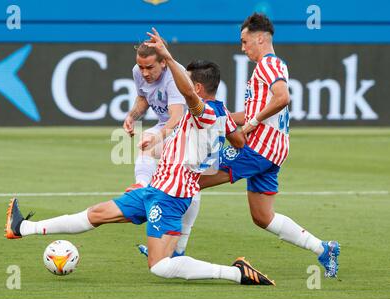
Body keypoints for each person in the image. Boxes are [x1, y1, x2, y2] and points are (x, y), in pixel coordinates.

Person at [5, 28, 275, 286]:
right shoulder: (224, 117)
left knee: (160, 266)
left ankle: (235, 273)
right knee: (96, 214)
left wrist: (168, 58)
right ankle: (23, 228)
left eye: (187, 82)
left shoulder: (204, 112)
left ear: (199, 88)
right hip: (155, 188)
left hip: (170, 196)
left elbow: (189, 95)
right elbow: (239, 141)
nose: (180, 85)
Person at [138, 13, 341, 279]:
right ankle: (323, 248)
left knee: (188, 178)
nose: (242, 47)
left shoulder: (269, 64)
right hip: (272, 151)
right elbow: (253, 112)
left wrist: (250, 123)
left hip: (257, 148)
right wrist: (227, 120)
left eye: (245, 42)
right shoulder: (271, 67)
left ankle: (176, 251)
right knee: (262, 216)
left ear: (260, 38)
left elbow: (282, 99)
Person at [123, 40, 185, 192]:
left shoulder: (174, 76)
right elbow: (143, 98)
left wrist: (156, 138)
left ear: (163, 62)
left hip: (192, 129)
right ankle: (141, 186)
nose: (144, 73)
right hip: (167, 126)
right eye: (141, 67)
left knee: (183, 183)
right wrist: (132, 116)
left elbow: (177, 118)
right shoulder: (137, 71)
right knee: (147, 141)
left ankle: (144, 187)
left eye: (149, 67)